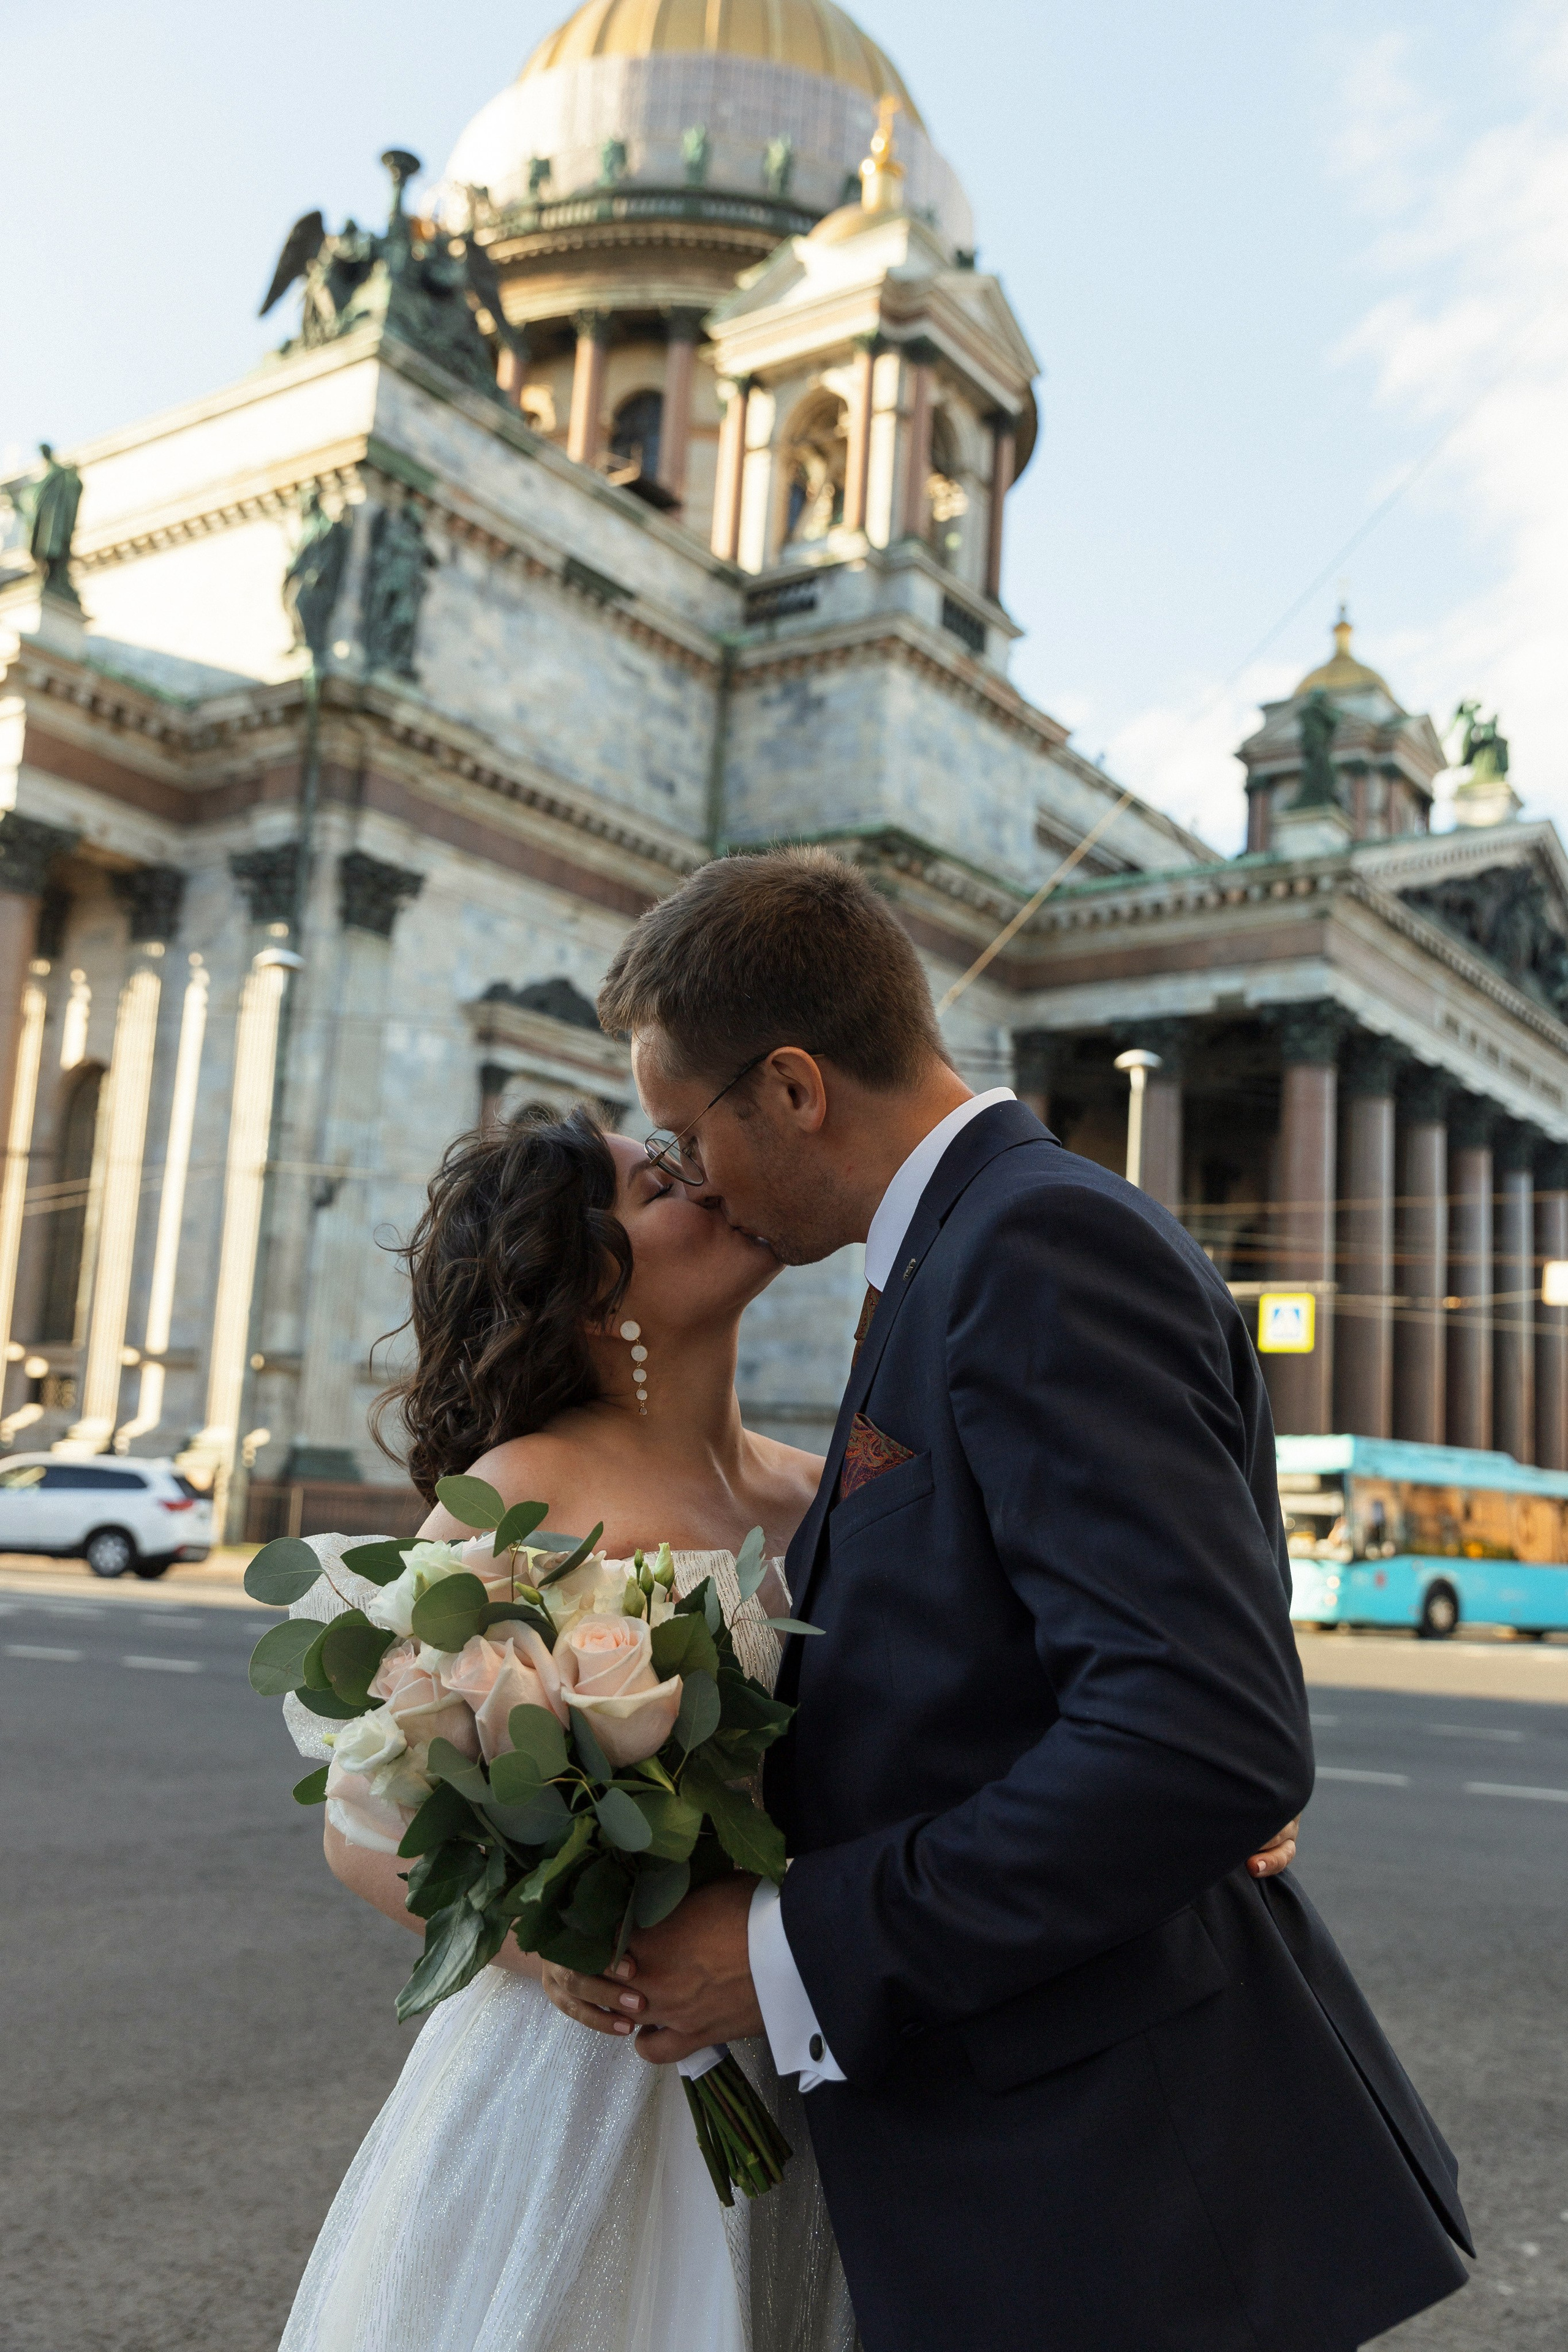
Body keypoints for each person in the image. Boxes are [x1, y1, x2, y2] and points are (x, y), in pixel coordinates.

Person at [573, 845, 1473, 2352]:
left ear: (792, 1088)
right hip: (1060, 2173)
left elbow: (1196, 1740)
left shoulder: (1034, 1244)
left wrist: (789, 1951)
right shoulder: (956, 1247)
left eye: (687, 1130)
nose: (689, 1177)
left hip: (1123, 2206)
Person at [277, 1101, 1297, 2351]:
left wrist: (1185, 1810)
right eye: (659, 1185)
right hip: (596, 2077)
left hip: (822, 2040)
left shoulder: (819, 1487)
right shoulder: (524, 1491)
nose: (704, 1181)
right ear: (598, 1295)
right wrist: (550, 1949)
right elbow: (359, 1821)